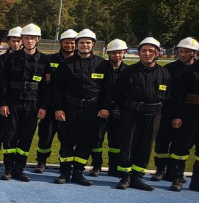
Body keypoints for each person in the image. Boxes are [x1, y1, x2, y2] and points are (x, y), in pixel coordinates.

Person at [51, 29, 110, 186]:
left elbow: (107, 89)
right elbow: (58, 89)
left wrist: (105, 107)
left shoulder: (102, 64)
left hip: (93, 110)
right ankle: (65, 172)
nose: (85, 45)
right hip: (71, 108)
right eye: (82, 42)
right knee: (67, 141)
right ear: (77, 44)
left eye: (88, 42)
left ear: (93, 45)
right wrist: (59, 108)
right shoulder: (66, 64)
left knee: (86, 142)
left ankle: (78, 172)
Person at [112, 37, 171, 191]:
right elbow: (117, 94)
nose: (147, 53)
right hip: (132, 114)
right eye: (144, 50)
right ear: (138, 53)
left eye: (151, 50)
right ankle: (125, 176)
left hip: (154, 114)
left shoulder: (164, 73)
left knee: (146, 146)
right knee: (128, 145)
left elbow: (168, 95)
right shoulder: (129, 72)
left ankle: (137, 177)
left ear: (157, 53)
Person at [0, 23, 48, 181]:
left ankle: (19, 168)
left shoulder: (44, 60)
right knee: (10, 135)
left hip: (33, 104)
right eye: (26, 38)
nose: (29, 41)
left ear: (37, 39)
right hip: (13, 103)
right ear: (22, 39)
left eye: (32, 38)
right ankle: (8, 168)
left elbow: (47, 86)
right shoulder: (12, 58)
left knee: (26, 137)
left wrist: (43, 106)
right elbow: (3, 83)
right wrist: (3, 103)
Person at [151, 37, 199, 183]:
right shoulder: (169, 69)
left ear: (195, 53)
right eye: (180, 51)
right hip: (167, 110)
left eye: (186, 52)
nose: (182, 54)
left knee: (181, 144)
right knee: (162, 142)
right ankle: (160, 170)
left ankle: (174, 171)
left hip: (189, 113)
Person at [166, 39, 199, 192]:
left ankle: (198, 180)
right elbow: (179, 96)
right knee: (181, 147)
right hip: (190, 114)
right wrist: (177, 116)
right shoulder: (189, 71)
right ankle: (177, 178)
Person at [33, 28, 77, 172]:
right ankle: (41, 161)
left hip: (70, 107)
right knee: (45, 136)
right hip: (50, 105)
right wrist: (43, 106)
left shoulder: (78, 62)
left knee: (67, 138)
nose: (69, 45)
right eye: (66, 42)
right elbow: (43, 85)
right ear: (61, 43)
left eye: (72, 43)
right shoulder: (49, 60)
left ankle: (65, 164)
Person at [89, 39, 128, 177]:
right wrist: (102, 107)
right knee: (97, 139)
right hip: (99, 109)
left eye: (119, 53)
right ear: (109, 54)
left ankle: (113, 167)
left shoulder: (128, 71)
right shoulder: (99, 67)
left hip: (118, 111)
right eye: (113, 53)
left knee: (116, 141)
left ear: (124, 53)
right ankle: (96, 166)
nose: (116, 55)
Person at [0, 28, 23, 170]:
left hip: (17, 103)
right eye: (13, 40)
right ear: (8, 41)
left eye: (18, 41)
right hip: (1, 102)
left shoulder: (24, 60)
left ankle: (13, 161)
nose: (16, 43)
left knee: (16, 133)